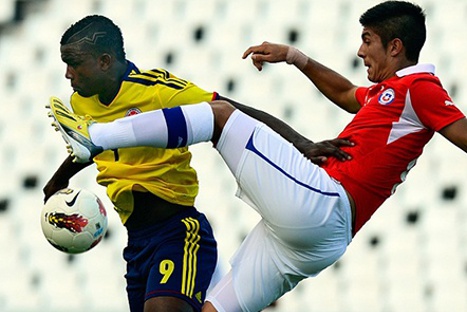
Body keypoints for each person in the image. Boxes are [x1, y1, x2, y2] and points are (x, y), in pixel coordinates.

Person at [48, 1, 466, 311]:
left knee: (220, 116)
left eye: (367, 41)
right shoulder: (389, 92)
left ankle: (97, 137)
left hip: (323, 203)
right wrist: (296, 57)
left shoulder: (421, 88)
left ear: (395, 47)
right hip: (313, 240)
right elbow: (344, 95)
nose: (361, 52)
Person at [44, 15, 351, 312]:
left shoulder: (158, 90)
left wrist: (301, 144)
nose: (69, 74)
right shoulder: (80, 102)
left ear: (105, 62)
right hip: (136, 244)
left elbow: (230, 112)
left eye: (74, 64)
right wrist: (60, 179)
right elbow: (94, 144)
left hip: (178, 232)